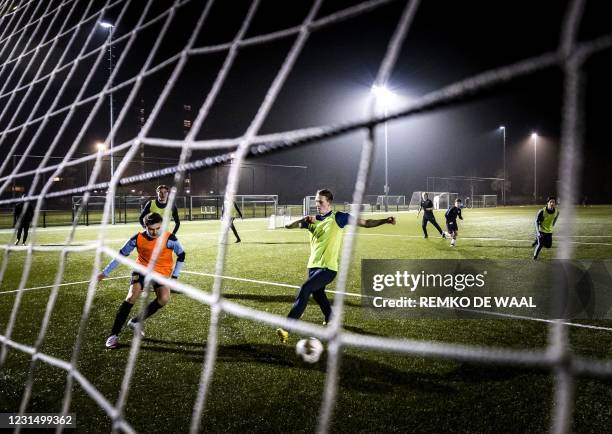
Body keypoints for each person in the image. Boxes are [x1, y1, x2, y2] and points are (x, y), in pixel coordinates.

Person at [276, 189, 396, 343]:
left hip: (328, 268)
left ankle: (286, 329)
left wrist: (385, 220)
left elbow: (366, 223)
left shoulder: (339, 217)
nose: (317, 204)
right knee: (318, 295)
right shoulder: (312, 220)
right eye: (316, 201)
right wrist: (303, 218)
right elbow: (288, 226)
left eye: (320, 201)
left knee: (305, 289)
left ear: (329, 202)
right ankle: (330, 317)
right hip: (312, 267)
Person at [98, 212, 186, 349]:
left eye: (158, 228)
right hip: (142, 269)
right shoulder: (136, 238)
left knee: (164, 298)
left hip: (160, 273)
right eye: (151, 229)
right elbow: (121, 255)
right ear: (145, 226)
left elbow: (181, 254)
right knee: (132, 296)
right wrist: (105, 272)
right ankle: (113, 335)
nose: (155, 232)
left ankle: (135, 322)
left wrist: (175, 276)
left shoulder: (170, 238)